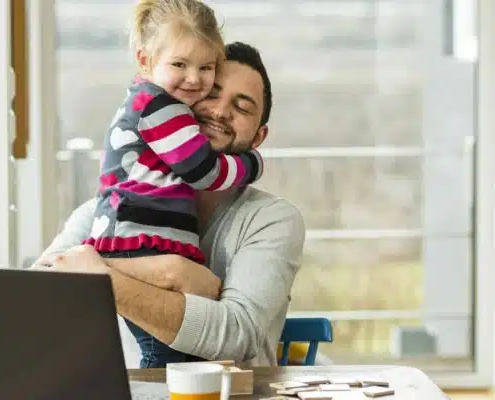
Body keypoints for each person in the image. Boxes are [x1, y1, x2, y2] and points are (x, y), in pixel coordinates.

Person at [34, 41, 306, 368]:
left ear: (259, 138)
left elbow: (236, 337)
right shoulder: (102, 211)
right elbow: (34, 297)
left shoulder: (272, 220)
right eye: (211, 94)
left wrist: (100, 275)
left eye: (242, 107)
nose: (220, 111)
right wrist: (171, 272)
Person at [86, 0, 264, 367]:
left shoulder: (157, 103)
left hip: (136, 241)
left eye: (206, 68)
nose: (195, 79)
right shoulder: (158, 106)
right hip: (136, 243)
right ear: (144, 59)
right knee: (162, 353)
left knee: (172, 352)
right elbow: (206, 172)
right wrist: (251, 164)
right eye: (179, 65)